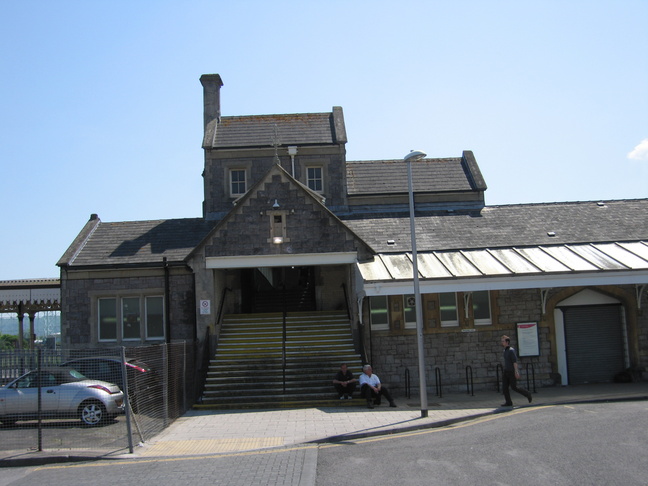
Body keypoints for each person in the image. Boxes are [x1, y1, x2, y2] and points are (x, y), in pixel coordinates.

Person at [500, 335, 532, 407]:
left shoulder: (511, 350)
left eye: (503, 341)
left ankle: (527, 394)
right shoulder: (505, 350)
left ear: (507, 342)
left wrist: (516, 371)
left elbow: (514, 362)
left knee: (514, 387)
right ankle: (508, 402)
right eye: (501, 341)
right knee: (504, 388)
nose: (502, 343)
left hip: (511, 371)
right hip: (506, 371)